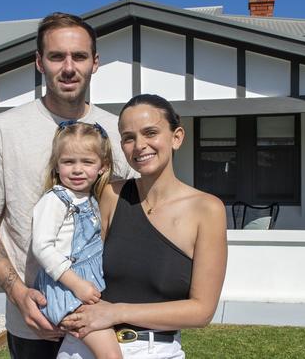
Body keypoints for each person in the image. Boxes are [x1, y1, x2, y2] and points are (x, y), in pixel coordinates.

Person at [0, 13, 135, 359]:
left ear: (95, 63)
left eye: (80, 56)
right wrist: (18, 294)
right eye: (57, 56)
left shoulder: (118, 132)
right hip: (35, 322)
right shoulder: (2, 130)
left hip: (103, 313)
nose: (69, 67)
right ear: (39, 62)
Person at [58, 94, 228, 358]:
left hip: (155, 349)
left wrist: (117, 312)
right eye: (128, 137)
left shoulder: (207, 210)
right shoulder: (111, 195)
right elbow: (76, 264)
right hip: (86, 346)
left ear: (177, 137)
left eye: (150, 132)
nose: (139, 145)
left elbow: (202, 310)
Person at [32, 121, 122, 359]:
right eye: (68, 161)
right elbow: (41, 248)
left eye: (87, 161)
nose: (77, 169)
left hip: (84, 289)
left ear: (103, 167)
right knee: (111, 355)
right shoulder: (55, 200)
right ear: (57, 165)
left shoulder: (90, 199)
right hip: (67, 290)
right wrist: (76, 284)